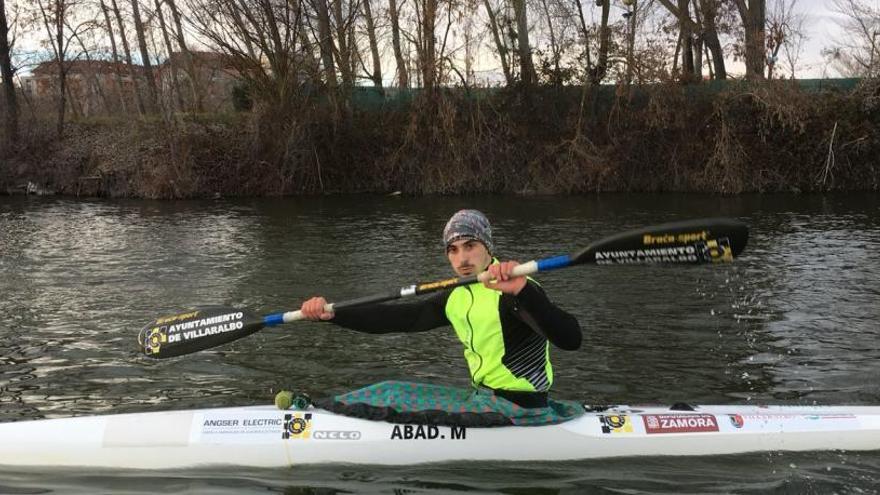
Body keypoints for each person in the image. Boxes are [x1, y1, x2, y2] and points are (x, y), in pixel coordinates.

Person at [300, 209, 582, 408]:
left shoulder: (514, 289)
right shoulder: (456, 296)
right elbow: (400, 319)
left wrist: (524, 291)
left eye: (470, 245)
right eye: (453, 250)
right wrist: (333, 314)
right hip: (482, 399)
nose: (462, 259)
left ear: (487, 247)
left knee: (389, 407)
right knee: (387, 390)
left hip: (522, 408)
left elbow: (570, 339)